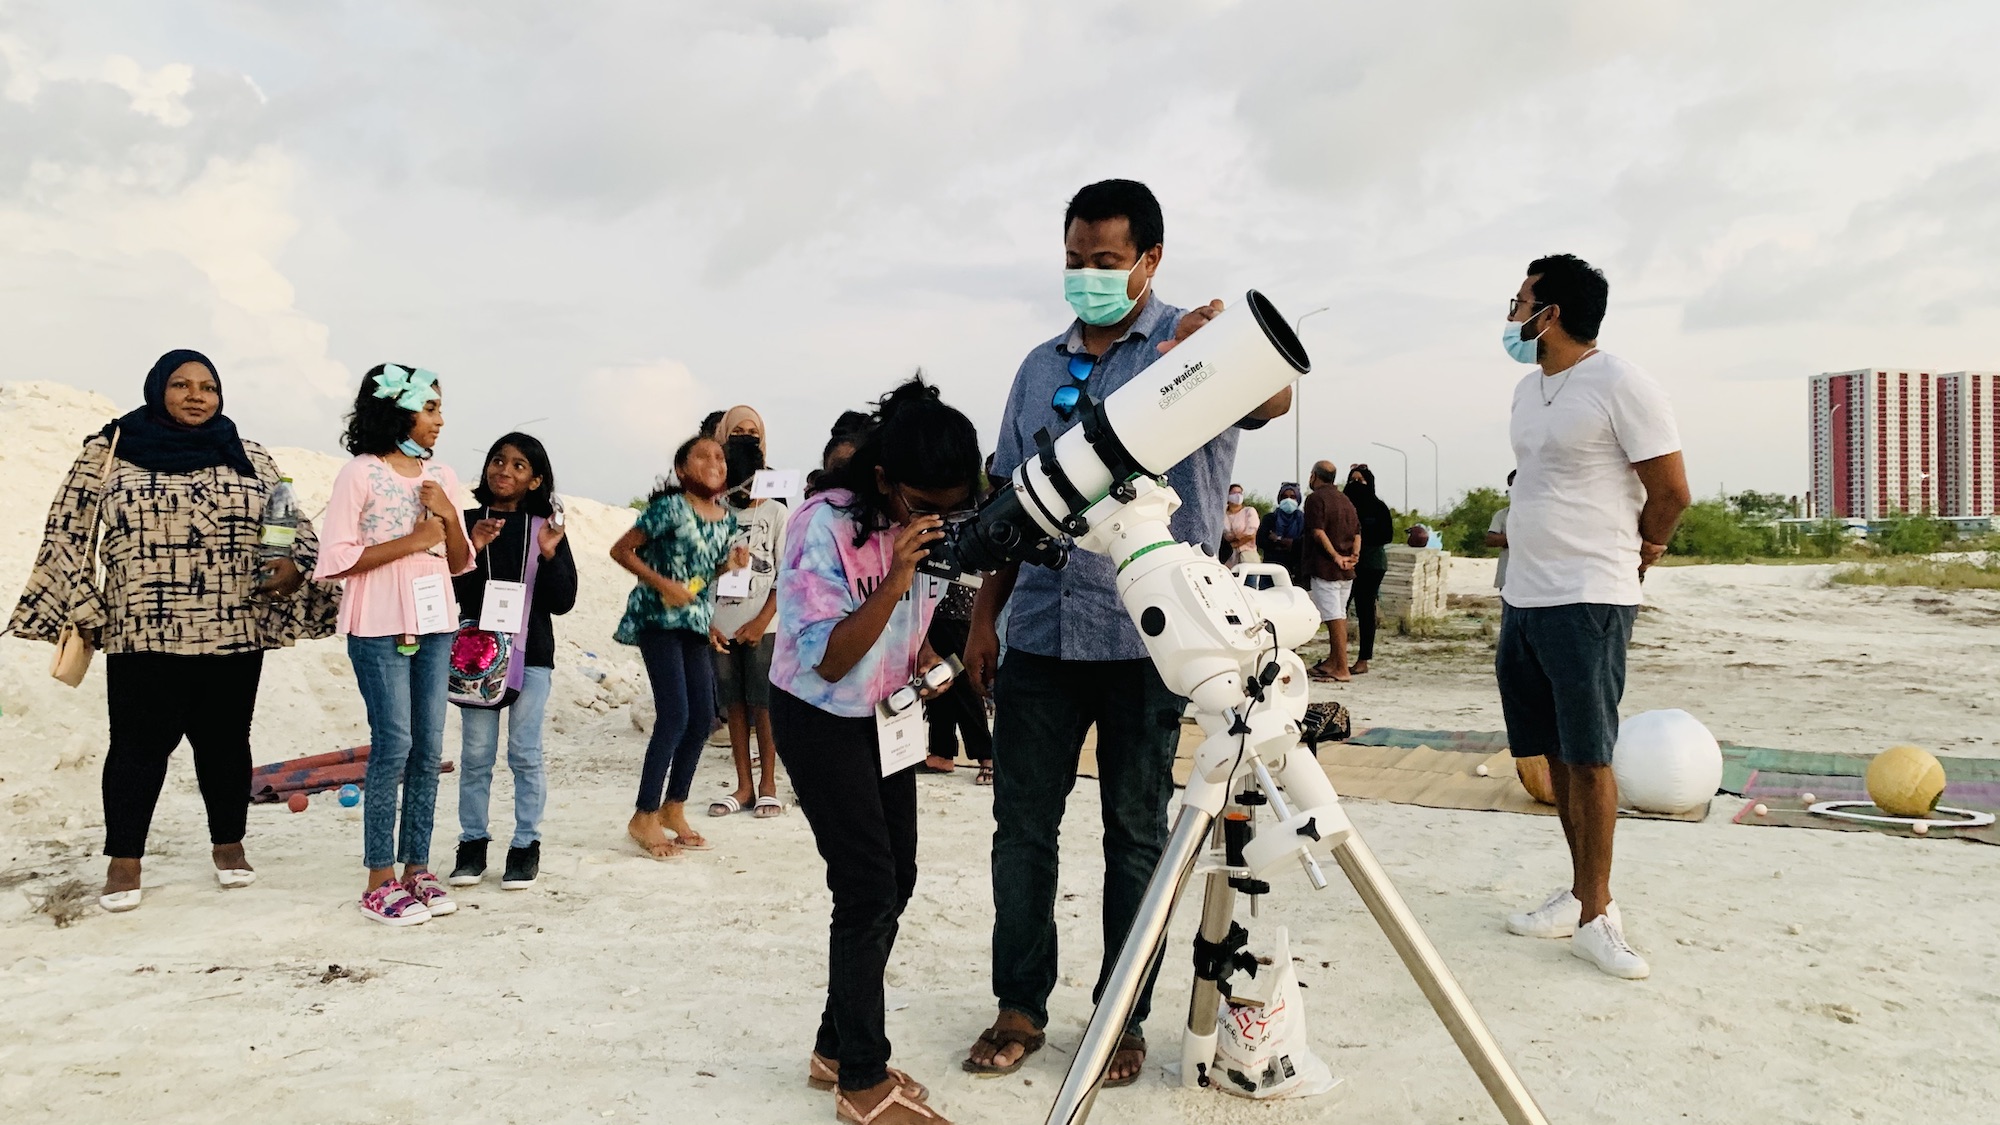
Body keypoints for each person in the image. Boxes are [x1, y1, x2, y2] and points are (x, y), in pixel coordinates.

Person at [960, 178, 1291, 1086]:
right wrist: (985, 616)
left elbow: (1272, 401)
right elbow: (1010, 500)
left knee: (1135, 834)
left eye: (1105, 262)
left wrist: (1218, 355)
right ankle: (1020, 1002)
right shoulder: (1036, 368)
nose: (1086, 277)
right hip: (1036, 631)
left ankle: (1124, 1011)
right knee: (1020, 830)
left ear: (1149, 261)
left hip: (1150, 643)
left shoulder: (1189, 344)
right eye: (1073, 260)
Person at [10, 349, 337, 913]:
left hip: (233, 625)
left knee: (226, 742)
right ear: (157, 388)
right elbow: (67, 532)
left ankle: (229, 845)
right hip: (143, 628)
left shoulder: (249, 454)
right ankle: (124, 859)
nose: (195, 395)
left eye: (207, 386)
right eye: (181, 384)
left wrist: (292, 566)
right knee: (138, 747)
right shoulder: (110, 451)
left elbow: (292, 526)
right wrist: (86, 602)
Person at [770, 376, 982, 1125]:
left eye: (953, 506)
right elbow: (827, 658)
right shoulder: (818, 525)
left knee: (900, 876)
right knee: (864, 887)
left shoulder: (929, 524)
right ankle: (861, 1080)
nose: (939, 519)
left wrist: (925, 655)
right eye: (924, 504)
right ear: (884, 479)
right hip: (819, 714)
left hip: (886, 714)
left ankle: (836, 1044)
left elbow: (913, 622)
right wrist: (895, 576)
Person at [1496, 253, 1689, 979]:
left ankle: (1600, 913)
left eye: (1518, 300)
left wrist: (1649, 547)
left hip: (1589, 596)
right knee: (1549, 751)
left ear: (1549, 315)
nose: (1510, 312)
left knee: (1591, 754)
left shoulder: (1621, 383)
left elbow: (1671, 487)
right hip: (1525, 595)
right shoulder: (1527, 388)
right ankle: (1578, 895)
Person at [316, 364, 474, 926]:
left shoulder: (443, 477)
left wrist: (450, 517)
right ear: (396, 410)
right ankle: (379, 876)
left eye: (438, 408)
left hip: (434, 625)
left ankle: (417, 867)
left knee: (429, 747)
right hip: (378, 626)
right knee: (395, 743)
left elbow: (458, 563)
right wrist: (415, 539)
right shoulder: (360, 474)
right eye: (429, 408)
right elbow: (335, 561)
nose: (439, 420)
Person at [447, 433, 577, 891]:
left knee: (524, 753)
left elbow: (563, 602)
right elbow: (449, 591)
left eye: (519, 466)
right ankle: (472, 844)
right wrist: (472, 549)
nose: (505, 470)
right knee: (477, 755)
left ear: (536, 479)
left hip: (531, 654)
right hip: (474, 657)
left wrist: (549, 553)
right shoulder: (463, 523)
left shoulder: (546, 526)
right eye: (498, 461)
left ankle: (525, 846)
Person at [611, 435, 748, 858]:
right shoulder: (669, 508)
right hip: (657, 619)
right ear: (682, 470)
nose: (714, 462)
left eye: (720, 457)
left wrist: (730, 564)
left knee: (702, 717)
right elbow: (621, 549)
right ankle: (643, 814)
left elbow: (705, 574)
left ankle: (674, 807)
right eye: (702, 455)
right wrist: (662, 583)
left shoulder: (726, 520)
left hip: (693, 623)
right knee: (674, 714)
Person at [707, 405, 790, 820]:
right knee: (734, 705)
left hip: (765, 627)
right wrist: (707, 622)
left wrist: (760, 622)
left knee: (764, 705)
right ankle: (742, 785)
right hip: (721, 625)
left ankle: (768, 783)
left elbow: (786, 574)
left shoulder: (776, 513)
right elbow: (699, 574)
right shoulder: (713, 515)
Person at [921, 577, 991, 781]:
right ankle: (941, 751)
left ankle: (986, 753)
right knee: (936, 677)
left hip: (957, 597)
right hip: (932, 599)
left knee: (964, 682)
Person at [1303, 460, 1360, 682]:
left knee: (1333, 617)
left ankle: (1342, 668)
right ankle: (1333, 661)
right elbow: (1357, 533)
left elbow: (1318, 532)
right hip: (1347, 569)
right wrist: (1354, 556)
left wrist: (1335, 557)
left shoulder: (1316, 499)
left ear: (1314, 476)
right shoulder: (1345, 501)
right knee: (1340, 615)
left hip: (1327, 567)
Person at [1344, 464, 1394, 675]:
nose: (1356, 485)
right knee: (1340, 610)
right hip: (1346, 564)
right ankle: (1338, 657)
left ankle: (1363, 659)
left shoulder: (1378, 507)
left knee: (1365, 611)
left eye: (1360, 481)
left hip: (1371, 564)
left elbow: (1386, 536)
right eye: (1352, 480)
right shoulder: (1344, 505)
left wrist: (1360, 540)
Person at [1256, 481, 1306, 585]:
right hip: (1271, 570)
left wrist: (1278, 540)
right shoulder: (1270, 518)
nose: (1288, 500)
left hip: (1295, 571)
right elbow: (1261, 541)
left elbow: (1304, 544)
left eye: (1292, 497)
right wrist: (1288, 543)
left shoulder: (1304, 520)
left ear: (1298, 499)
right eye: (1284, 496)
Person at [1487, 470, 1517, 591]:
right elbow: (1490, 540)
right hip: (1507, 577)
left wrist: (1506, 539)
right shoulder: (1502, 515)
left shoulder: (1542, 514)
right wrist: (1517, 537)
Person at [1221, 483, 1259, 566]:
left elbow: (1251, 535)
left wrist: (1233, 544)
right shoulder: (1222, 515)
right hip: (1228, 560)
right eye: (1234, 493)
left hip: (1247, 557)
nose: (1237, 496)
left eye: (1240, 493)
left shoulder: (1249, 511)